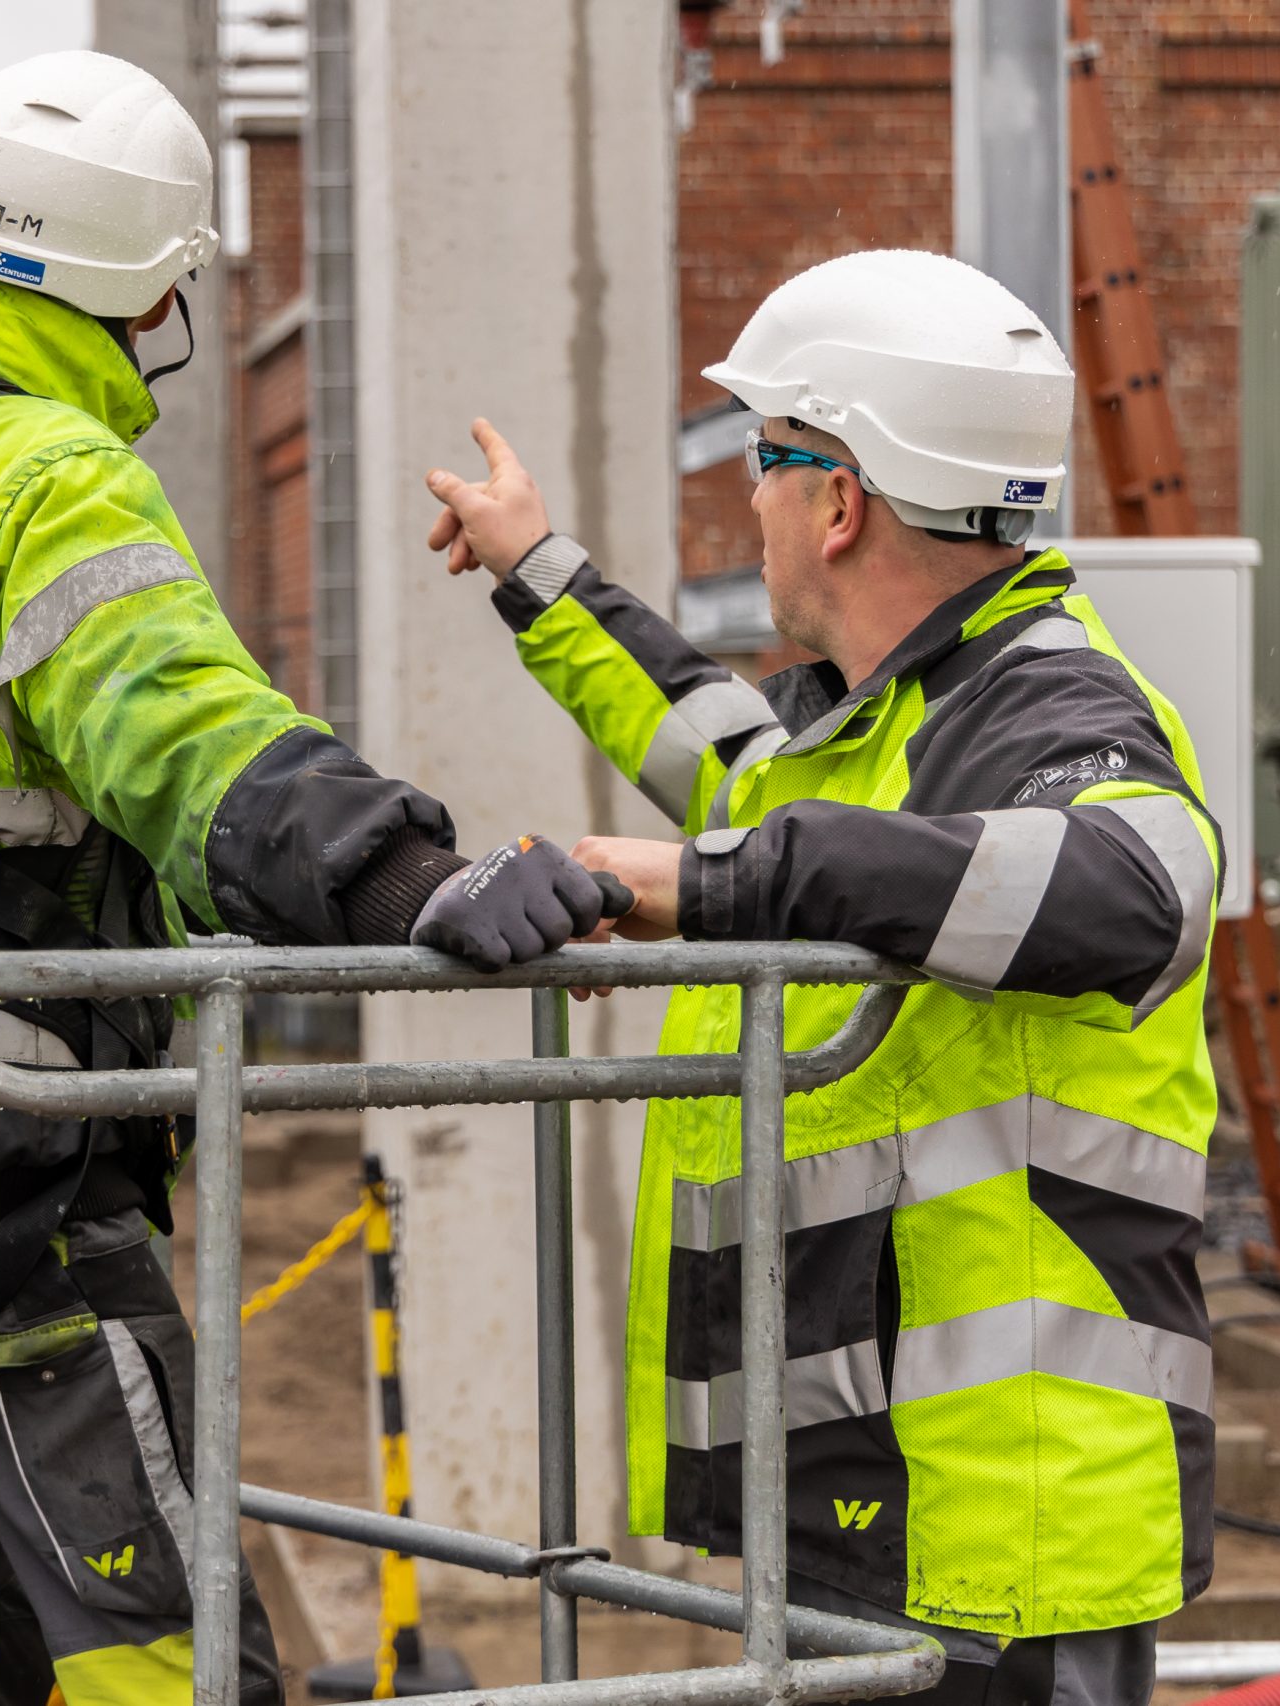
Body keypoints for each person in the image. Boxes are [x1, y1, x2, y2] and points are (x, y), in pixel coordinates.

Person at [0, 50, 604, 1706]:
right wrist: (406, 879)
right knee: (163, 1656)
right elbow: (178, 735)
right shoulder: (36, 477)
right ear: (142, 288)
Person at [422, 249, 1218, 1706]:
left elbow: (1145, 886)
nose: (750, 496)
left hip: (1002, 1539)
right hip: (867, 1491)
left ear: (838, 499)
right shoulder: (873, 726)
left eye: (763, 455)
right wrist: (539, 574)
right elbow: (721, 757)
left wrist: (706, 886)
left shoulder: (1058, 703)